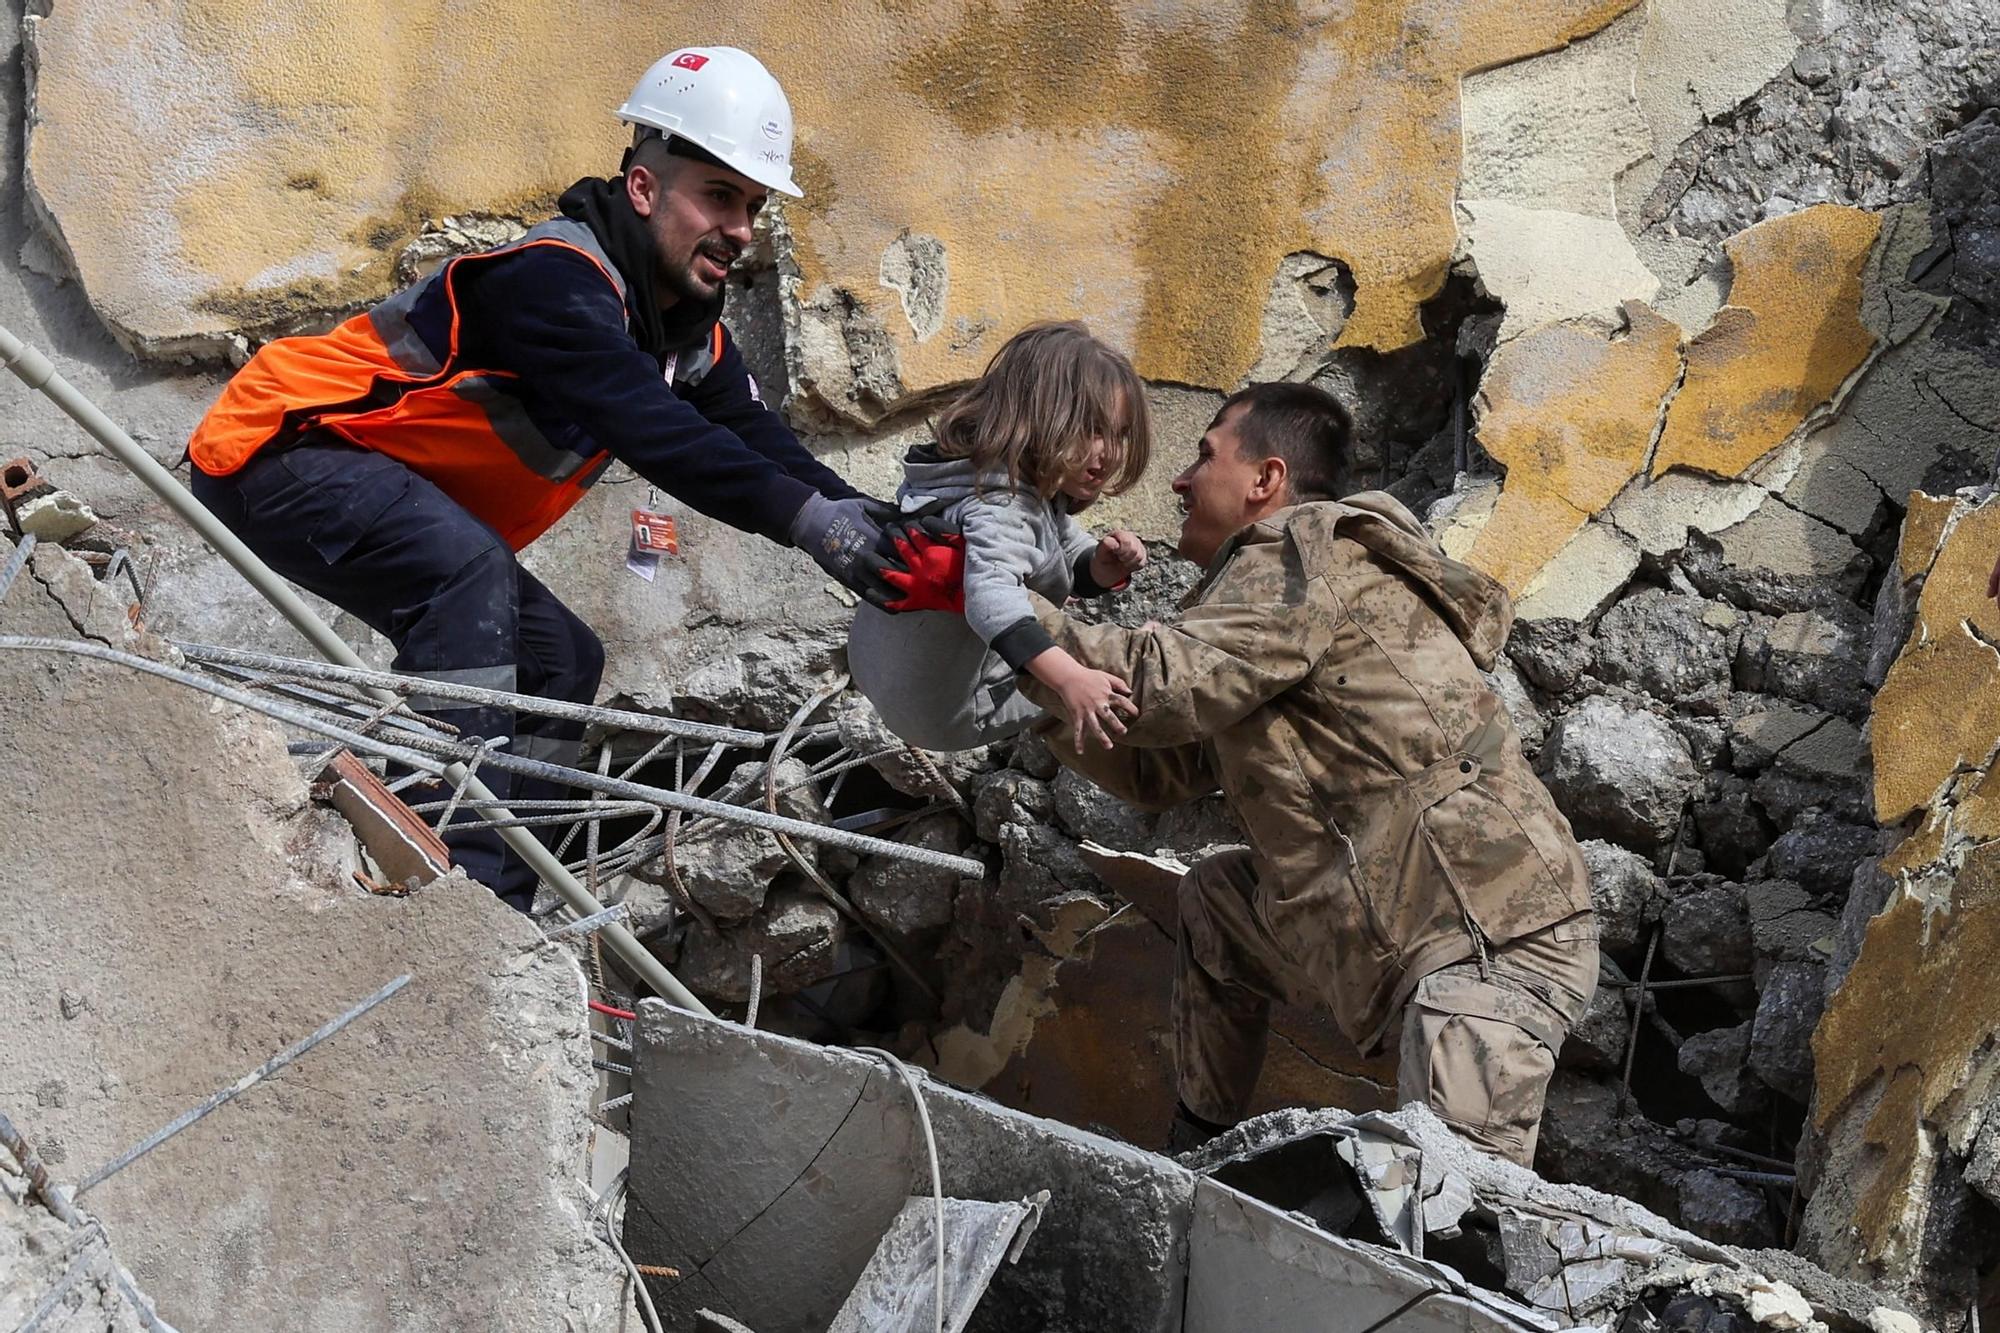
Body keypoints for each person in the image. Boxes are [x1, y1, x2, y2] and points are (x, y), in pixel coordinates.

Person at [185, 46, 940, 910]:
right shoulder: (553, 279)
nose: (741, 228)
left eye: (754, 206)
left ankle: (503, 904)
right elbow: (653, 427)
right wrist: (812, 525)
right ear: (644, 188)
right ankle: (441, 888)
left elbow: (759, 440)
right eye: (719, 196)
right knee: (466, 575)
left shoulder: (686, 331)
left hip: (369, 476)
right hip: (278, 447)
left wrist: (871, 521)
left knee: (561, 661)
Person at [1019, 382, 1599, 1166]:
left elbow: (1158, 682)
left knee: (1450, 1213)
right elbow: (1157, 766)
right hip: (1404, 926)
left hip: (1486, 929)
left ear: (1267, 478)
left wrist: (1002, 617)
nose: (1181, 480)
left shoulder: (1304, 552)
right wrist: (1027, 689)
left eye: (1204, 455)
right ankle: (1198, 1155)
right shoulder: (1255, 607)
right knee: (1218, 900)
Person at [848, 322, 1152, 752]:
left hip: (876, 669)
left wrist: (1099, 564)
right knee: (1126, 681)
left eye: (1119, 434)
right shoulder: (1001, 507)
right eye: (1093, 429)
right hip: (953, 714)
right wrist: (1071, 679)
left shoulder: (969, 477)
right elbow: (992, 601)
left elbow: (1058, 542)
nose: (1111, 452)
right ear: (1038, 418)